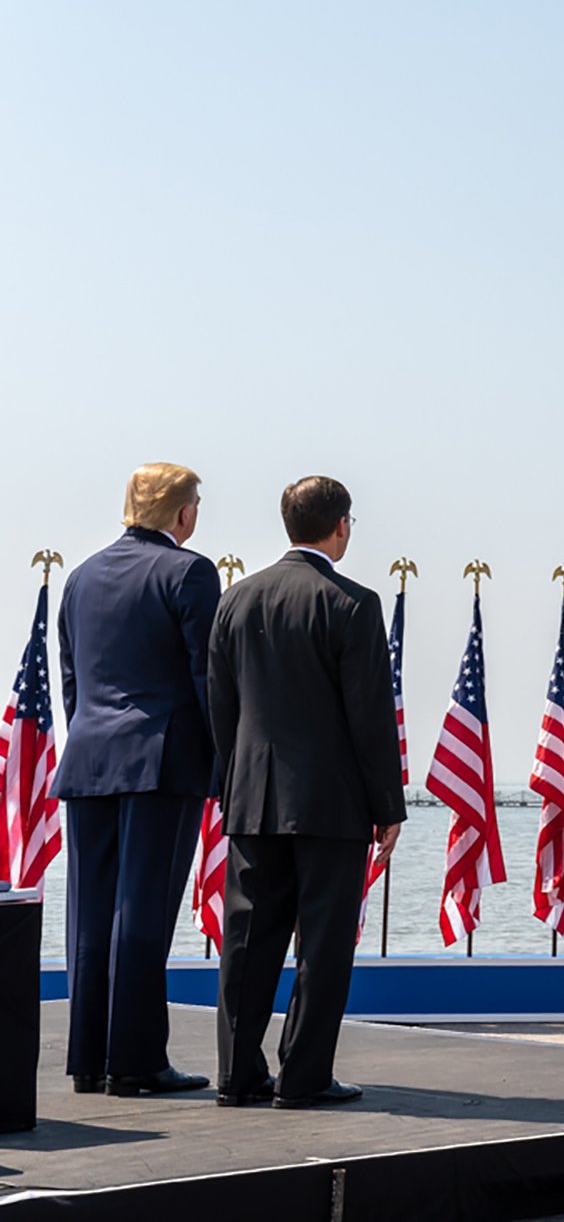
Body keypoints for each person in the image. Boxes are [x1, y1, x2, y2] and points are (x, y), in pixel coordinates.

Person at [209, 475, 405, 1109]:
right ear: (340, 525)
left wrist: (231, 784)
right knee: (321, 944)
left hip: (251, 797)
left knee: (245, 941)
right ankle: (304, 1076)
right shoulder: (354, 603)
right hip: (331, 803)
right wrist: (387, 806)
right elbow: (370, 716)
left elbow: (222, 708)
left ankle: (238, 1076)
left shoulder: (235, 599)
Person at [55, 463, 221, 1096]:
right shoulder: (188, 571)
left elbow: (71, 677)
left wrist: (95, 737)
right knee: (142, 912)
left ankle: (89, 1060)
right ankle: (137, 1060)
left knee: (90, 915)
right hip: (162, 759)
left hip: (91, 756)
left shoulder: (81, 576)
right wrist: (225, 759)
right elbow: (209, 679)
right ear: (181, 514)